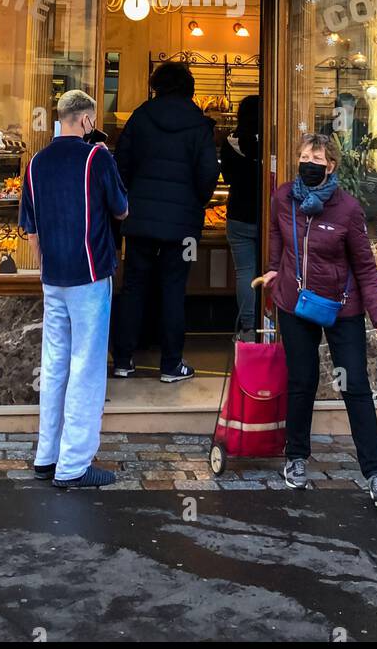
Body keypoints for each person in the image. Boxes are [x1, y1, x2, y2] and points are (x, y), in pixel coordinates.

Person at [257, 132, 377, 506]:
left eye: (316, 159)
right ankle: (296, 458)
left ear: (330, 166)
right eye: (303, 156)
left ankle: (375, 473)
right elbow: (276, 238)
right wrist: (274, 270)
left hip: (341, 307)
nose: (307, 163)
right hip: (295, 302)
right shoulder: (283, 198)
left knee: (354, 386)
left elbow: (366, 268)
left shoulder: (347, 209)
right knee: (301, 381)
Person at [19, 89, 128, 489]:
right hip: (90, 273)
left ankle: (46, 457)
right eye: (92, 121)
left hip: (53, 277)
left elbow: (29, 230)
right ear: (85, 121)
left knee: (54, 365)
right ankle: (74, 466)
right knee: (86, 367)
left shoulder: (35, 163)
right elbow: (122, 208)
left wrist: (47, 263)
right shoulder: (96, 157)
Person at [112, 60, 219, 383]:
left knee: (134, 288)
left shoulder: (141, 117)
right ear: (189, 88)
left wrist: (129, 201)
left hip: (140, 221)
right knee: (174, 289)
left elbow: (121, 165)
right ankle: (171, 365)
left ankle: (123, 360)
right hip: (183, 229)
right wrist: (195, 204)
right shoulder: (199, 125)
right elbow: (208, 174)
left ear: (157, 86)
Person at [220, 94, 260, 339]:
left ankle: (248, 327)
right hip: (267, 216)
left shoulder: (229, 142)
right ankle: (270, 323)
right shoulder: (270, 140)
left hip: (238, 214)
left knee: (245, 272)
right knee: (270, 270)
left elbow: (228, 177)